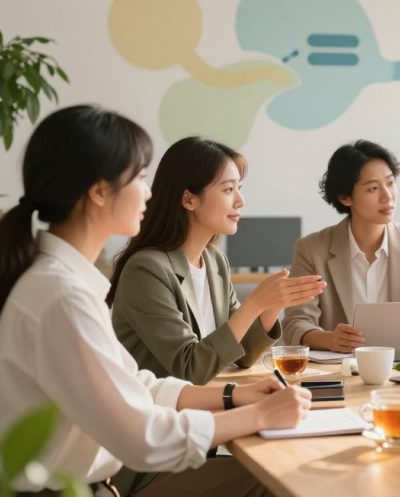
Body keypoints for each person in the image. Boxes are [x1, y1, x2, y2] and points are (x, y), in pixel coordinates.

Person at [0, 105, 311, 496]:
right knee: (281, 481)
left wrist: (233, 395)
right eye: (140, 177)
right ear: (99, 192)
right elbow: (144, 438)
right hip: (66, 490)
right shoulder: (63, 295)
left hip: (70, 485)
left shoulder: (58, 283)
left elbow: (135, 384)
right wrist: (258, 414)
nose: (148, 192)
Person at [109, 136, 326, 384]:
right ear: (189, 200)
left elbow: (241, 354)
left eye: (239, 189)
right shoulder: (146, 270)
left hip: (207, 402)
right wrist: (254, 304)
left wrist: (273, 304)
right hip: (162, 413)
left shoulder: (214, 262)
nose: (240, 201)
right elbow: (190, 369)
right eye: (228, 189)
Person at [283, 140, 400, 352]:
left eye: (390, 183)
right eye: (373, 188)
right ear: (345, 197)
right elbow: (295, 324)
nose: (387, 196)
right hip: (340, 373)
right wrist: (329, 339)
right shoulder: (311, 249)